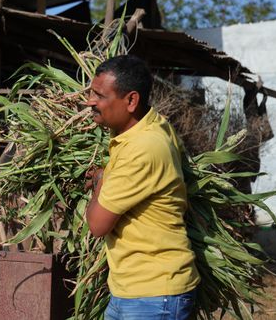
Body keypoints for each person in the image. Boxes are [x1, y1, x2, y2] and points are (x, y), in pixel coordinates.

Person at [85, 55, 200, 320]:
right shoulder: (153, 125)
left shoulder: (142, 148)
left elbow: (97, 226)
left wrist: (102, 180)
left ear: (131, 101)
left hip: (152, 297)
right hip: (134, 293)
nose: (91, 102)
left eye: (100, 96)